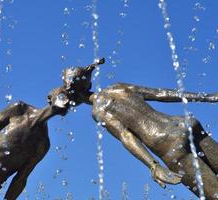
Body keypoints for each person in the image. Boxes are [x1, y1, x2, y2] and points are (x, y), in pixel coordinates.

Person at [62, 58, 218, 199]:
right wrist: (207, 97)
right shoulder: (118, 87)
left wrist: (153, 165)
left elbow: (125, 136)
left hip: (167, 143)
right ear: (88, 84)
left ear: (74, 100)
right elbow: (161, 94)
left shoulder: (98, 111)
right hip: (184, 124)